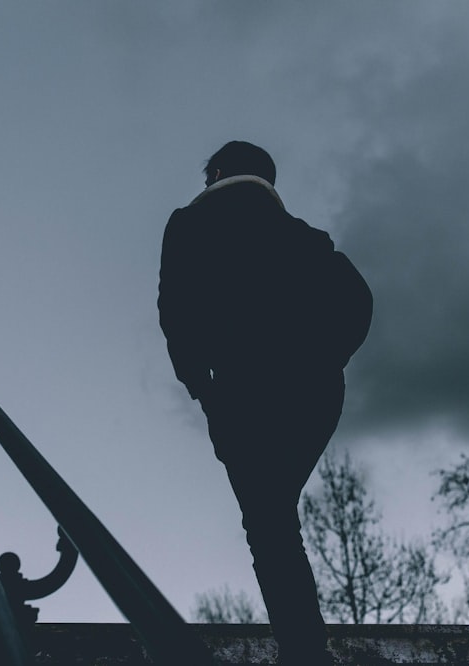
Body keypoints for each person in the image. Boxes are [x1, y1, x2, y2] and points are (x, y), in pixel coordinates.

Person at [158, 141, 372, 665]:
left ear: (219, 175)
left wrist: (200, 384)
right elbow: (358, 299)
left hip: (243, 390)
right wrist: (328, 359)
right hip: (316, 391)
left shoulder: (189, 223)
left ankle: (304, 650)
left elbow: (174, 308)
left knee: (268, 519)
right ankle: (305, 645)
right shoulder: (306, 237)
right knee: (274, 514)